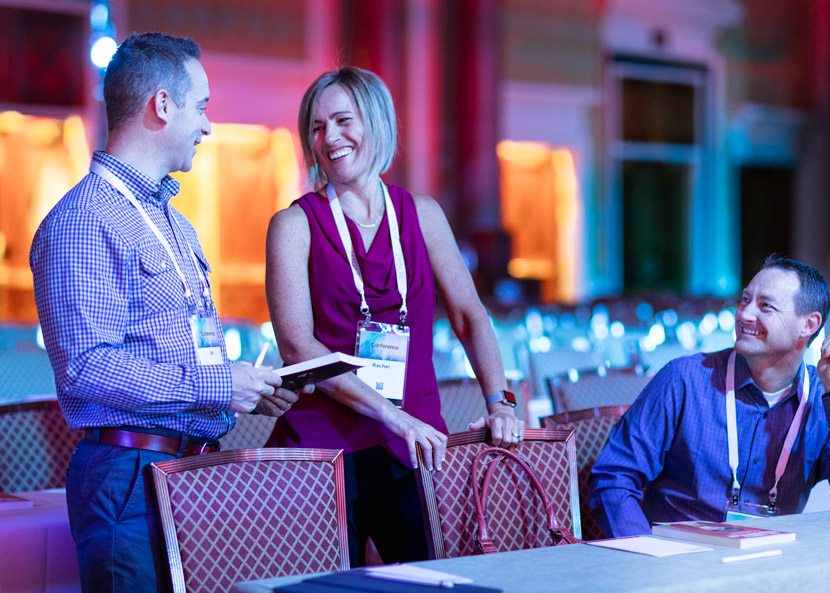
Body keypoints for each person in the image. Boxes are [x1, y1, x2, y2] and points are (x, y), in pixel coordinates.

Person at [30, 32, 306, 593]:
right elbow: (86, 369)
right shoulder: (86, 219)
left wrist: (244, 387)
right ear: (162, 104)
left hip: (192, 470)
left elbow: (190, 352)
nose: (208, 126)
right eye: (201, 107)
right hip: (129, 479)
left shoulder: (174, 223)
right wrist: (213, 385)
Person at [264, 66, 524, 566]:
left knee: (430, 581)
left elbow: (470, 315)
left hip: (416, 445)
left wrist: (501, 401)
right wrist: (389, 413)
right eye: (316, 128)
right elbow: (298, 347)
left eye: (343, 120)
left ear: (376, 122)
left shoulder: (422, 213)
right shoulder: (293, 225)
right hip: (326, 454)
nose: (329, 138)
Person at [590, 254, 830, 538]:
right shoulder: (684, 379)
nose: (745, 314)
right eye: (745, 300)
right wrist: (646, 556)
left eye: (765, 306)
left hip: (770, 566)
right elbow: (613, 478)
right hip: (679, 564)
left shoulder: (819, 402)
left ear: (808, 325)